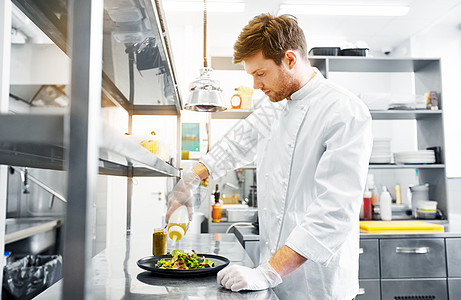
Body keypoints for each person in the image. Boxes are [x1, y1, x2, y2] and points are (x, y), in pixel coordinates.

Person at [166, 13, 372, 300]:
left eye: (260, 73)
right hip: (273, 277)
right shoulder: (276, 106)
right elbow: (236, 144)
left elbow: (335, 209)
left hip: (318, 284)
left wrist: (267, 272)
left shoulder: (344, 110)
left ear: (289, 59)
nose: (255, 85)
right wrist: (188, 180)